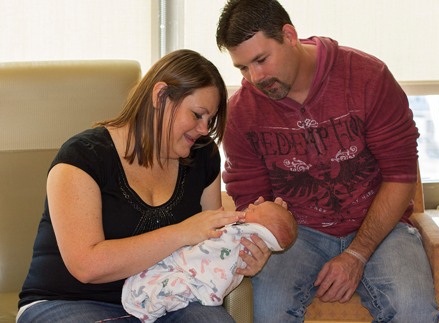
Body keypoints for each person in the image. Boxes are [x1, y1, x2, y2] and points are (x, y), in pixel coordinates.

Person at [216, 1, 439, 322]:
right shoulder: (242, 112)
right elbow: (253, 198)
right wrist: (261, 236)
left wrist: (357, 254)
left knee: (414, 309)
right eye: (242, 68)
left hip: (381, 225)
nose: (255, 77)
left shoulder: (367, 77)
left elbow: (400, 176)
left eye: (261, 60)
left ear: (289, 36)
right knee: (267, 309)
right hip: (297, 234)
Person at [16, 49, 269, 323]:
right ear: (160, 96)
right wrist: (182, 232)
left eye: (210, 120)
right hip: (69, 301)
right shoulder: (82, 157)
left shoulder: (203, 156)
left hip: (165, 299)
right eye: (197, 115)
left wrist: (239, 258)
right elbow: (86, 266)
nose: (204, 129)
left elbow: (209, 247)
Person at [122, 199, 297, 322]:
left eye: (257, 210)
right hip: (104, 295)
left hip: (196, 286)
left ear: (262, 230)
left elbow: (220, 240)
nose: (251, 205)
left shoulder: (243, 234)